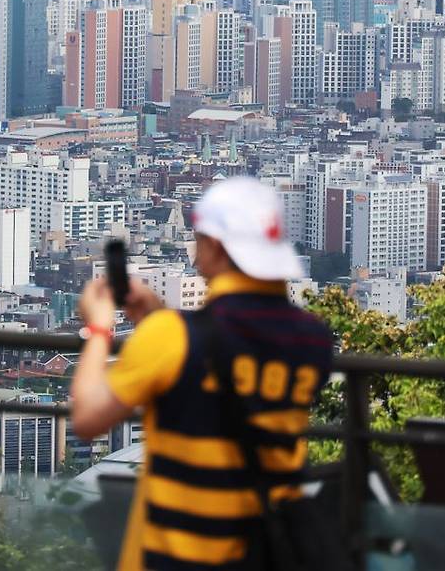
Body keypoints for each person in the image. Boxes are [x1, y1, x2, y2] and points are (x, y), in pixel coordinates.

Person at [71, 176, 333, 571]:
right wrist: (158, 317)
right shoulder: (313, 341)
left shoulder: (172, 338)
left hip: (177, 555)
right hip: (264, 552)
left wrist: (99, 328)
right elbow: (231, 363)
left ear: (214, 245)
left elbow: (88, 417)